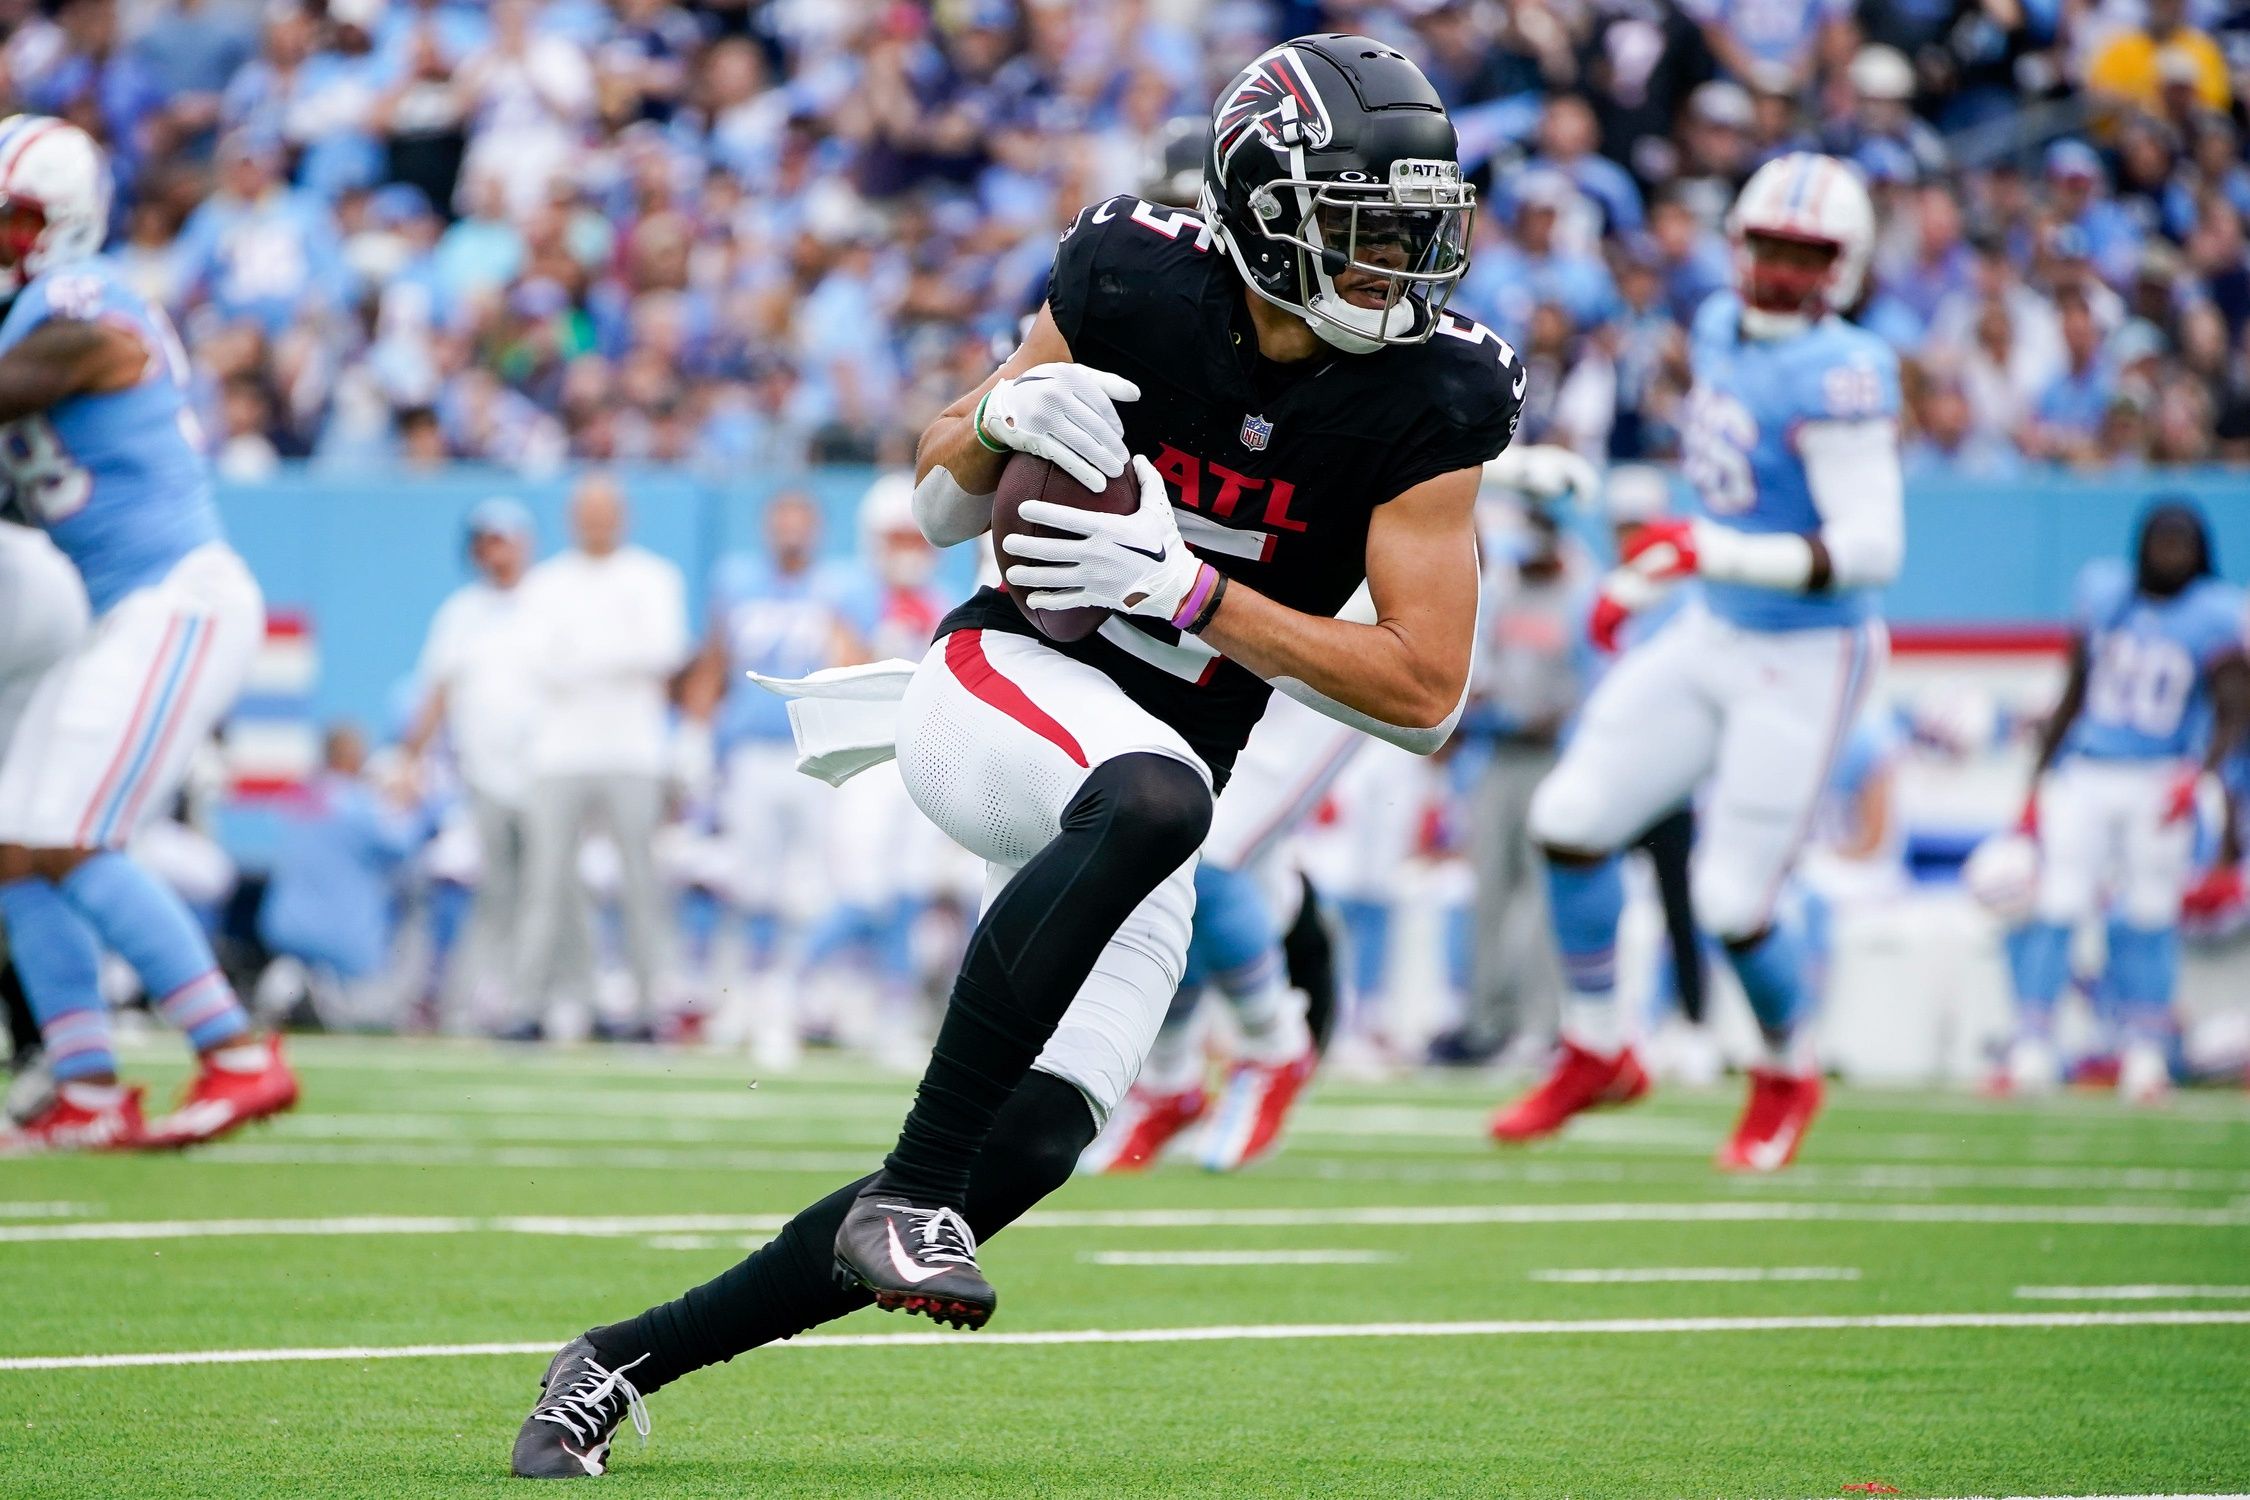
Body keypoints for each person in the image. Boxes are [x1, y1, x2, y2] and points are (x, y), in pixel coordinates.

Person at [509, 35, 1521, 1477]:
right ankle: (904, 1186)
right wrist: (987, 419)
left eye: (1413, 229)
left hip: (1156, 769)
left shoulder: (1437, 393)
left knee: (1035, 1148)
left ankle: (612, 1363)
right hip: (1003, 687)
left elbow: (1424, 689)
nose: (1396, 267)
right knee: (1154, 802)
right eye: (1359, 230)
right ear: (1254, 210)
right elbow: (930, 503)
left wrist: (1194, 597)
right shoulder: (1130, 281)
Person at [1490, 152, 1903, 1173]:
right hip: (1713, 627)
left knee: (1732, 903)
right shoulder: (1718, 327)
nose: (1781, 273)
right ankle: (1599, 1046)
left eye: (1807, 257)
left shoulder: (1842, 371)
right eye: (1768, 248)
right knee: (1570, 822)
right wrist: (1656, 580)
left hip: (1807, 652)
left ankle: (1785, 1068)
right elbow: (1728, 496)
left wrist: (1695, 554)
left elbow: (1869, 550)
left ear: (1843, 267)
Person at [0, 116, 297, 1153]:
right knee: (12, 846)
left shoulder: (80, 301)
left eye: (17, 219)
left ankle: (235, 1050)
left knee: (74, 837)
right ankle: (84, 1083)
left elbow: (66, 361)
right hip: (115, 609)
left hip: (175, 595)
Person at [2001, 500, 2246, 1103]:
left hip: (2160, 776)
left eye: (2181, 545)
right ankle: (2033, 1045)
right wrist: (2036, 778)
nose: (2170, 556)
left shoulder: (2212, 614)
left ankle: (2144, 1053)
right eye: (2161, 544)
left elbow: (2236, 706)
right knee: (2057, 904)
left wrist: (2203, 775)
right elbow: (2075, 689)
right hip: (2087, 770)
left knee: (2149, 914)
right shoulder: (2106, 593)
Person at [680, 491, 861, 1065]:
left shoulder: (839, 588)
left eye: (799, 522)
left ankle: (789, 1001)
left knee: (805, 889)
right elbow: (713, 661)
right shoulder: (737, 581)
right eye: (781, 521)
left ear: (817, 528)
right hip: (751, 752)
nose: (790, 533)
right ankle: (738, 999)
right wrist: (695, 733)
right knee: (747, 885)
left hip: (811, 754)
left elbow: (858, 666)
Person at [510, 473, 688, 1040]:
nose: (596, 520)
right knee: (546, 883)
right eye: (587, 510)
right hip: (559, 752)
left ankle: (645, 1007)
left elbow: (664, 649)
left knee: (641, 882)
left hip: (632, 750)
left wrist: (584, 657)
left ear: (623, 516)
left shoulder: (653, 576)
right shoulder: (545, 583)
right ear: (571, 518)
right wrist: (616, 657)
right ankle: (532, 1004)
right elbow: (538, 663)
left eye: (605, 509)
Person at [404, 497, 539, 1029]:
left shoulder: (549, 602)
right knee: (492, 887)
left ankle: (533, 995)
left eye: (502, 539)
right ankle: (479, 996)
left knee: (545, 889)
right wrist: (407, 759)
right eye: (485, 542)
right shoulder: (461, 611)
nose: (495, 552)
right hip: (480, 773)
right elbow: (436, 691)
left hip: (545, 772)